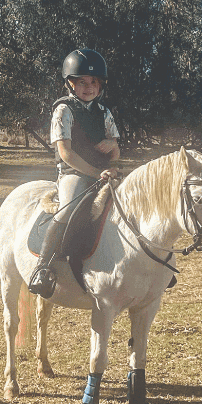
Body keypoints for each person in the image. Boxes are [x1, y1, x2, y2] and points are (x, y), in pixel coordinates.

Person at [28, 48, 120, 298]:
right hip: (73, 173)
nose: (89, 87)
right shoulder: (63, 111)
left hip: (104, 173)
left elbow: (116, 151)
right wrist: (94, 172)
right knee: (68, 209)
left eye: (93, 82)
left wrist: (113, 147)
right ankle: (43, 268)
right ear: (70, 83)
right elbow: (66, 153)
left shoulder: (105, 113)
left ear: (100, 85)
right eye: (82, 82)